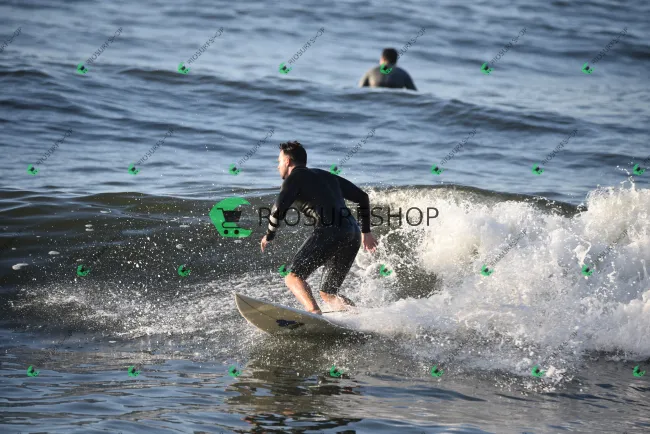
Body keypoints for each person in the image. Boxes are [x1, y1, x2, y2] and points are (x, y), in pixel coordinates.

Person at [260, 141, 378, 314]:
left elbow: (278, 209)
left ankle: (313, 312)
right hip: (352, 232)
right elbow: (362, 197)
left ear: (287, 161)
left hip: (330, 231)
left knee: (293, 277)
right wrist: (365, 231)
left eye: (279, 162)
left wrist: (269, 235)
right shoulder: (327, 176)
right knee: (328, 293)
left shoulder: (294, 178)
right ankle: (359, 317)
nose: (278, 166)